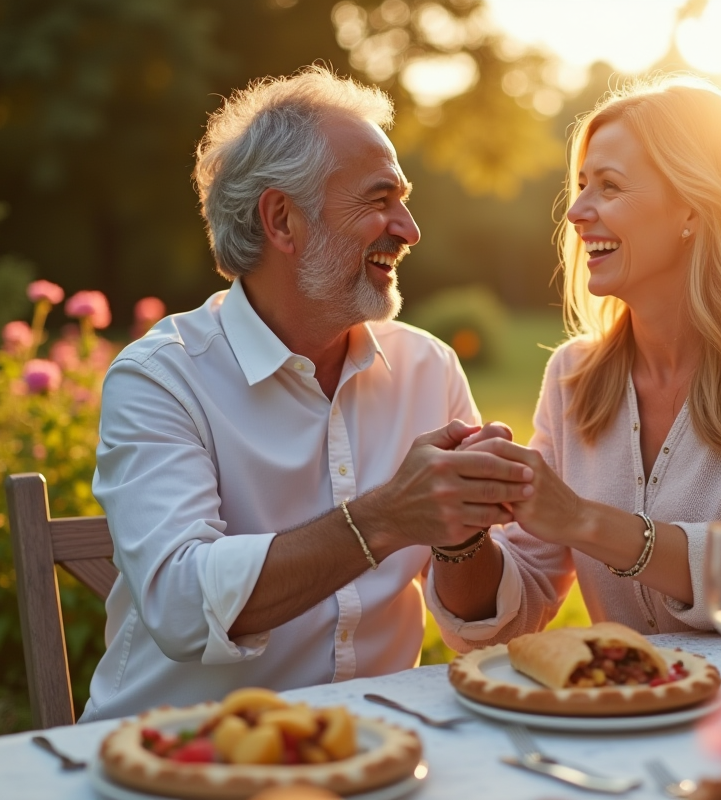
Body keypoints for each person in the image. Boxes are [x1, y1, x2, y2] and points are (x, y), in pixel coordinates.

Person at [81, 67, 532, 722]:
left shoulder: (428, 368)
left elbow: (484, 631)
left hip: (369, 747)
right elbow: (182, 605)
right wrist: (387, 518)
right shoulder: (161, 377)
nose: (409, 228)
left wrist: (460, 533)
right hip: (177, 751)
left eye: (404, 200)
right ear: (282, 220)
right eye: (379, 199)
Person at [427, 74, 721, 649]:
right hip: (663, 694)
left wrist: (578, 518)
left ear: (693, 207)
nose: (576, 211)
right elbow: (511, 617)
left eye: (609, 186)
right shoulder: (572, 376)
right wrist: (460, 532)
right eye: (581, 185)